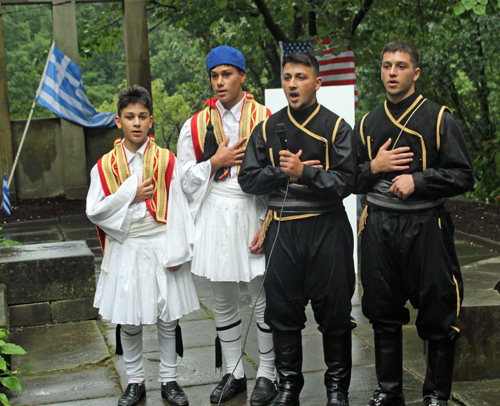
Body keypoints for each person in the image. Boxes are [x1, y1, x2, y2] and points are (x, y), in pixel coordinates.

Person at [354, 41, 474, 406]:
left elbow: (463, 175)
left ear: (415, 72)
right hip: (378, 227)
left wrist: (418, 181)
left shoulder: (438, 118)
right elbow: (350, 179)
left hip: (425, 226)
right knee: (382, 310)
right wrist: (374, 167)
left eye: (401, 66)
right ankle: (389, 392)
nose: (392, 72)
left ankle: (436, 395)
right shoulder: (367, 124)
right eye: (387, 65)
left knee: (438, 310)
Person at [239, 52, 357, 406]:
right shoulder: (266, 128)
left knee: (335, 313)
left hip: (327, 230)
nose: (293, 84)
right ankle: (289, 387)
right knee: (283, 313)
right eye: (288, 77)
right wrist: (283, 172)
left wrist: (306, 173)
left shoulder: (337, 128)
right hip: (284, 231)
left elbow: (348, 182)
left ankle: (337, 390)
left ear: (317, 83)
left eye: (301, 77)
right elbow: (248, 178)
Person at [175, 46, 277, 405]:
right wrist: (213, 162)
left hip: (252, 207)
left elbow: (280, 172)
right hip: (215, 209)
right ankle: (233, 370)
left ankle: (268, 371)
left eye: (227, 74)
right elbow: (183, 178)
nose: (220, 82)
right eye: (214, 75)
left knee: (262, 296)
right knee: (222, 298)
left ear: (242, 76)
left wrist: (268, 221)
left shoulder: (266, 118)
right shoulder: (196, 124)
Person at [86, 85, 200, 406]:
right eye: (129, 117)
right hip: (127, 244)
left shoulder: (166, 160)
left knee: (168, 316)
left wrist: (180, 249)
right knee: (129, 316)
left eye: (142, 116)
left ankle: (169, 379)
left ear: (151, 120)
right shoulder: (105, 165)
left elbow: (180, 206)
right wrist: (129, 195)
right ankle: (135, 381)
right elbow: (95, 210)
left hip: (161, 243)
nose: (136, 123)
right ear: (118, 121)